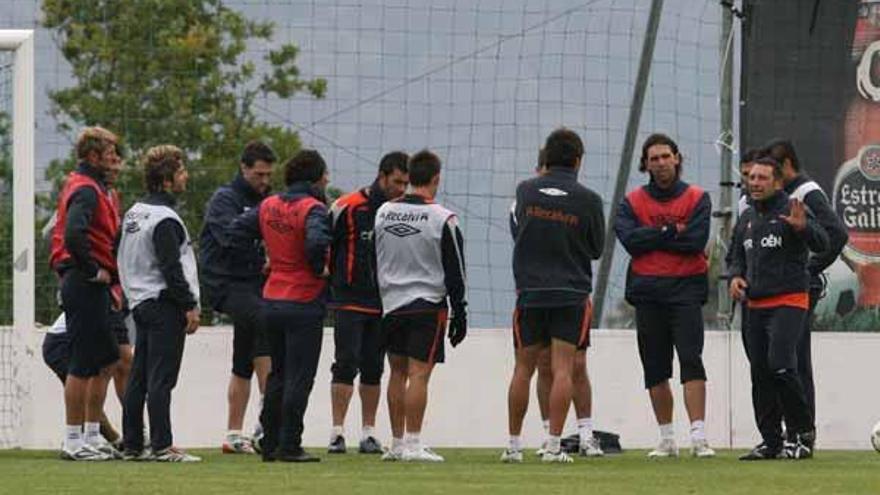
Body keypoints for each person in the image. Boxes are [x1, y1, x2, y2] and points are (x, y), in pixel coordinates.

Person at [505, 130, 604, 464]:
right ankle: (552, 445)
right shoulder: (588, 199)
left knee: (523, 368)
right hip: (571, 292)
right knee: (565, 369)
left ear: (545, 159)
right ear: (578, 160)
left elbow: (517, 231)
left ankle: (513, 445)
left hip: (530, 292)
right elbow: (596, 247)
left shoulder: (525, 190)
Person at [614, 133, 715, 458]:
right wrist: (671, 231)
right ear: (645, 164)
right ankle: (667, 438)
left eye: (664, 156)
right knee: (655, 368)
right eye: (653, 158)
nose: (660, 163)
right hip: (647, 293)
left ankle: (698, 437)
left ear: (677, 158)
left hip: (686, 291)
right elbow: (630, 240)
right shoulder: (632, 201)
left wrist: (652, 237)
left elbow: (696, 241)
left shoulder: (698, 198)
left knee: (691, 360)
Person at [228, 149, 332, 463]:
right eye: (325, 175)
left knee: (277, 375)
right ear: (315, 178)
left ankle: (269, 443)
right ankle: (290, 444)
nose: (327, 180)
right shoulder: (313, 208)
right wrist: (318, 268)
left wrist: (262, 260)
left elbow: (234, 232)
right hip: (304, 299)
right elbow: (316, 243)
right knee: (300, 377)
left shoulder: (268, 205)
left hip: (272, 298)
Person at [729, 156, 829, 460]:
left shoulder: (793, 209)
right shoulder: (746, 217)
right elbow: (736, 256)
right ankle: (771, 441)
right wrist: (735, 277)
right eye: (751, 178)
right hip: (755, 305)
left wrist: (803, 229)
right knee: (760, 372)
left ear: (777, 182)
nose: (755, 183)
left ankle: (802, 434)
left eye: (762, 178)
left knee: (781, 365)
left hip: (789, 300)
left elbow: (823, 241)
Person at [374, 149, 467, 463]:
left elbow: (377, 256)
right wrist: (460, 311)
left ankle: (397, 444)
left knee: (396, 373)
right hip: (427, 304)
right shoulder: (444, 217)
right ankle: (413, 443)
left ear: (410, 177)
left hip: (391, 303)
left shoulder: (384, 211)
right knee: (419, 375)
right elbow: (456, 269)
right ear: (436, 178)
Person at [118, 148, 202, 462]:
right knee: (161, 378)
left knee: (140, 376)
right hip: (164, 303)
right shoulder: (165, 219)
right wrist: (189, 304)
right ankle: (163, 446)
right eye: (181, 172)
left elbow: (121, 256)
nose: (186, 177)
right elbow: (171, 267)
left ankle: (133, 445)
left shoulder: (134, 213)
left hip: (139, 301)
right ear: (167, 181)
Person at [763, 139, 848, 447]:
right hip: (777, 289)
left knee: (794, 360)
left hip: (797, 288)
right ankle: (790, 432)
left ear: (786, 166)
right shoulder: (781, 197)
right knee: (782, 360)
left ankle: (802, 433)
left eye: (772, 170)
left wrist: (808, 269)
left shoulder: (805, 192)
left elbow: (837, 235)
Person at [327, 151, 409, 454]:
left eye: (406, 184)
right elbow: (325, 244)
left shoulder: (403, 212)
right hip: (348, 300)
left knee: (374, 368)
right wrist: (330, 285)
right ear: (382, 176)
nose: (401, 189)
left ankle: (368, 433)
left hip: (384, 302)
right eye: (397, 182)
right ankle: (337, 433)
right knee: (345, 364)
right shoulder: (347, 207)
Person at [49, 127, 122, 461]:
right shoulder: (87, 191)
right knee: (81, 362)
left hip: (93, 283)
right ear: (93, 156)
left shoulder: (95, 188)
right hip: (83, 281)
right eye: (111, 153)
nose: (116, 159)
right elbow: (75, 235)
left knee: (104, 358)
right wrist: (93, 270)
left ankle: (91, 435)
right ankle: (73, 439)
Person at [199, 141, 276, 454]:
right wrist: (262, 260)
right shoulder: (225, 199)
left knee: (243, 357)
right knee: (264, 325)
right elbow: (228, 238)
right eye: (259, 174)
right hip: (227, 282)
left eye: (269, 175)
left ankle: (233, 433)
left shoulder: (268, 199)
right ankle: (268, 422)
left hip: (254, 283)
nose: (264, 181)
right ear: (244, 168)